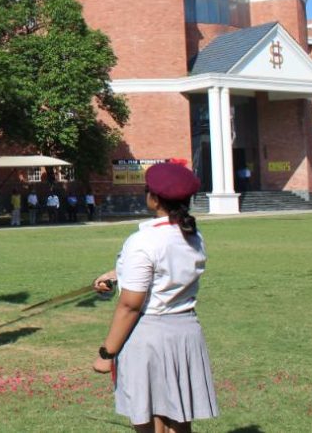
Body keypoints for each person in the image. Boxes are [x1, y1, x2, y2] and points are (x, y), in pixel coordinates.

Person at [92, 162, 218, 431]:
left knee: (149, 421)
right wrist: (117, 273)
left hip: (150, 335)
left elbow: (130, 305)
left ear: (154, 198)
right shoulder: (192, 235)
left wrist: (107, 353)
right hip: (185, 331)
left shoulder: (143, 241)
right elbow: (165, 268)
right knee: (178, 418)